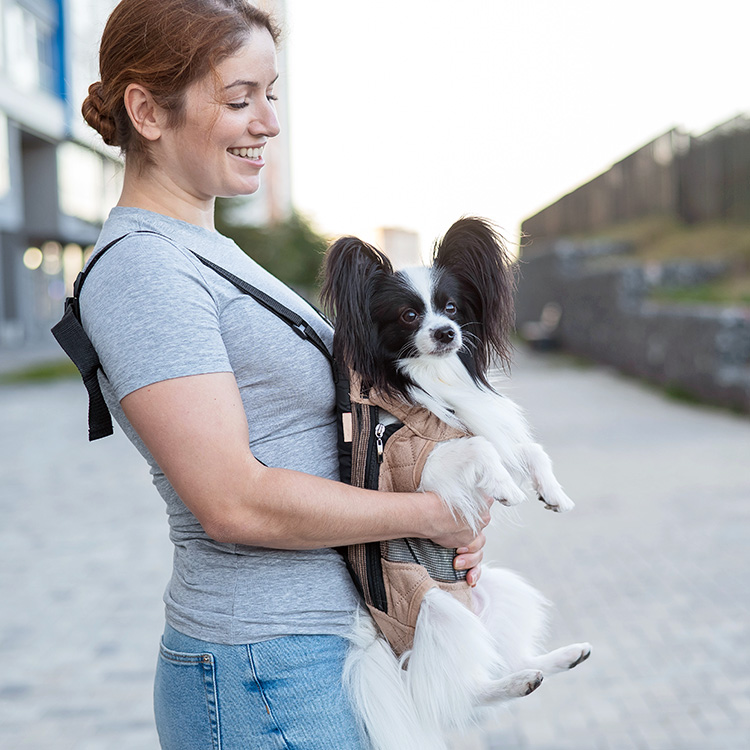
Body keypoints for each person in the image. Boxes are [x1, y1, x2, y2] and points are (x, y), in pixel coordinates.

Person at [78, 1, 492, 747]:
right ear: (146, 110)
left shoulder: (208, 249)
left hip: (319, 652)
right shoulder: (144, 270)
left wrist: (444, 510)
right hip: (268, 671)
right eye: (240, 99)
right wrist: (428, 515)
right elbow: (234, 501)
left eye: (271, 95)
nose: (268, 121)